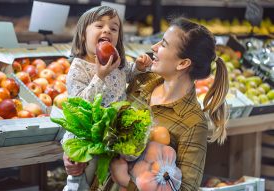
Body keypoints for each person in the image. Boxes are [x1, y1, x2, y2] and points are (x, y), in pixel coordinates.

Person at [105, 17, 230, 191]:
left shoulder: (193, 123)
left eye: (163, 44)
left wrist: (127, 181)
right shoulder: (141, 83)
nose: (153, 47)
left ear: (183, 63)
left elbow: (186, 188)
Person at [62, 5, 151, 191]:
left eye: (113, 28)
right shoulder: (78, 68)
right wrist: (99, 76)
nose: (107, 30)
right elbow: (79, 105)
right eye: (99, 26)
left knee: (109, 183)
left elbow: (130, 76)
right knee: (84, 181)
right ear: (83, 34)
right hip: (88, 139)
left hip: (112, 140)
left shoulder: (118, 64)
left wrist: (140, 68)